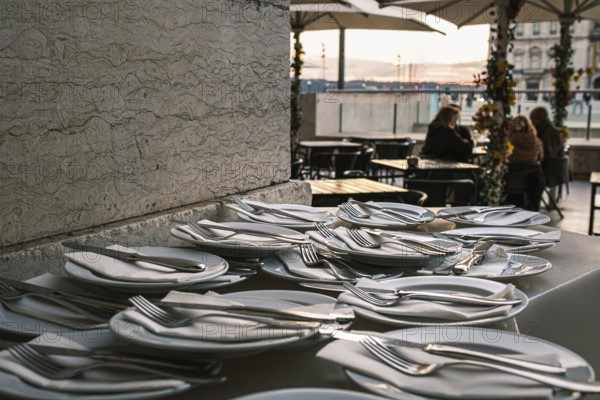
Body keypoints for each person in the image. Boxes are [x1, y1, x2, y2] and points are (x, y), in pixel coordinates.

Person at [505, 115, 545, 211]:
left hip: (513, 179)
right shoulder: (536, 140)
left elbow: (505, 157)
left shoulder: (510, 141)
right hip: (533, 178)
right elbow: (541, 158)